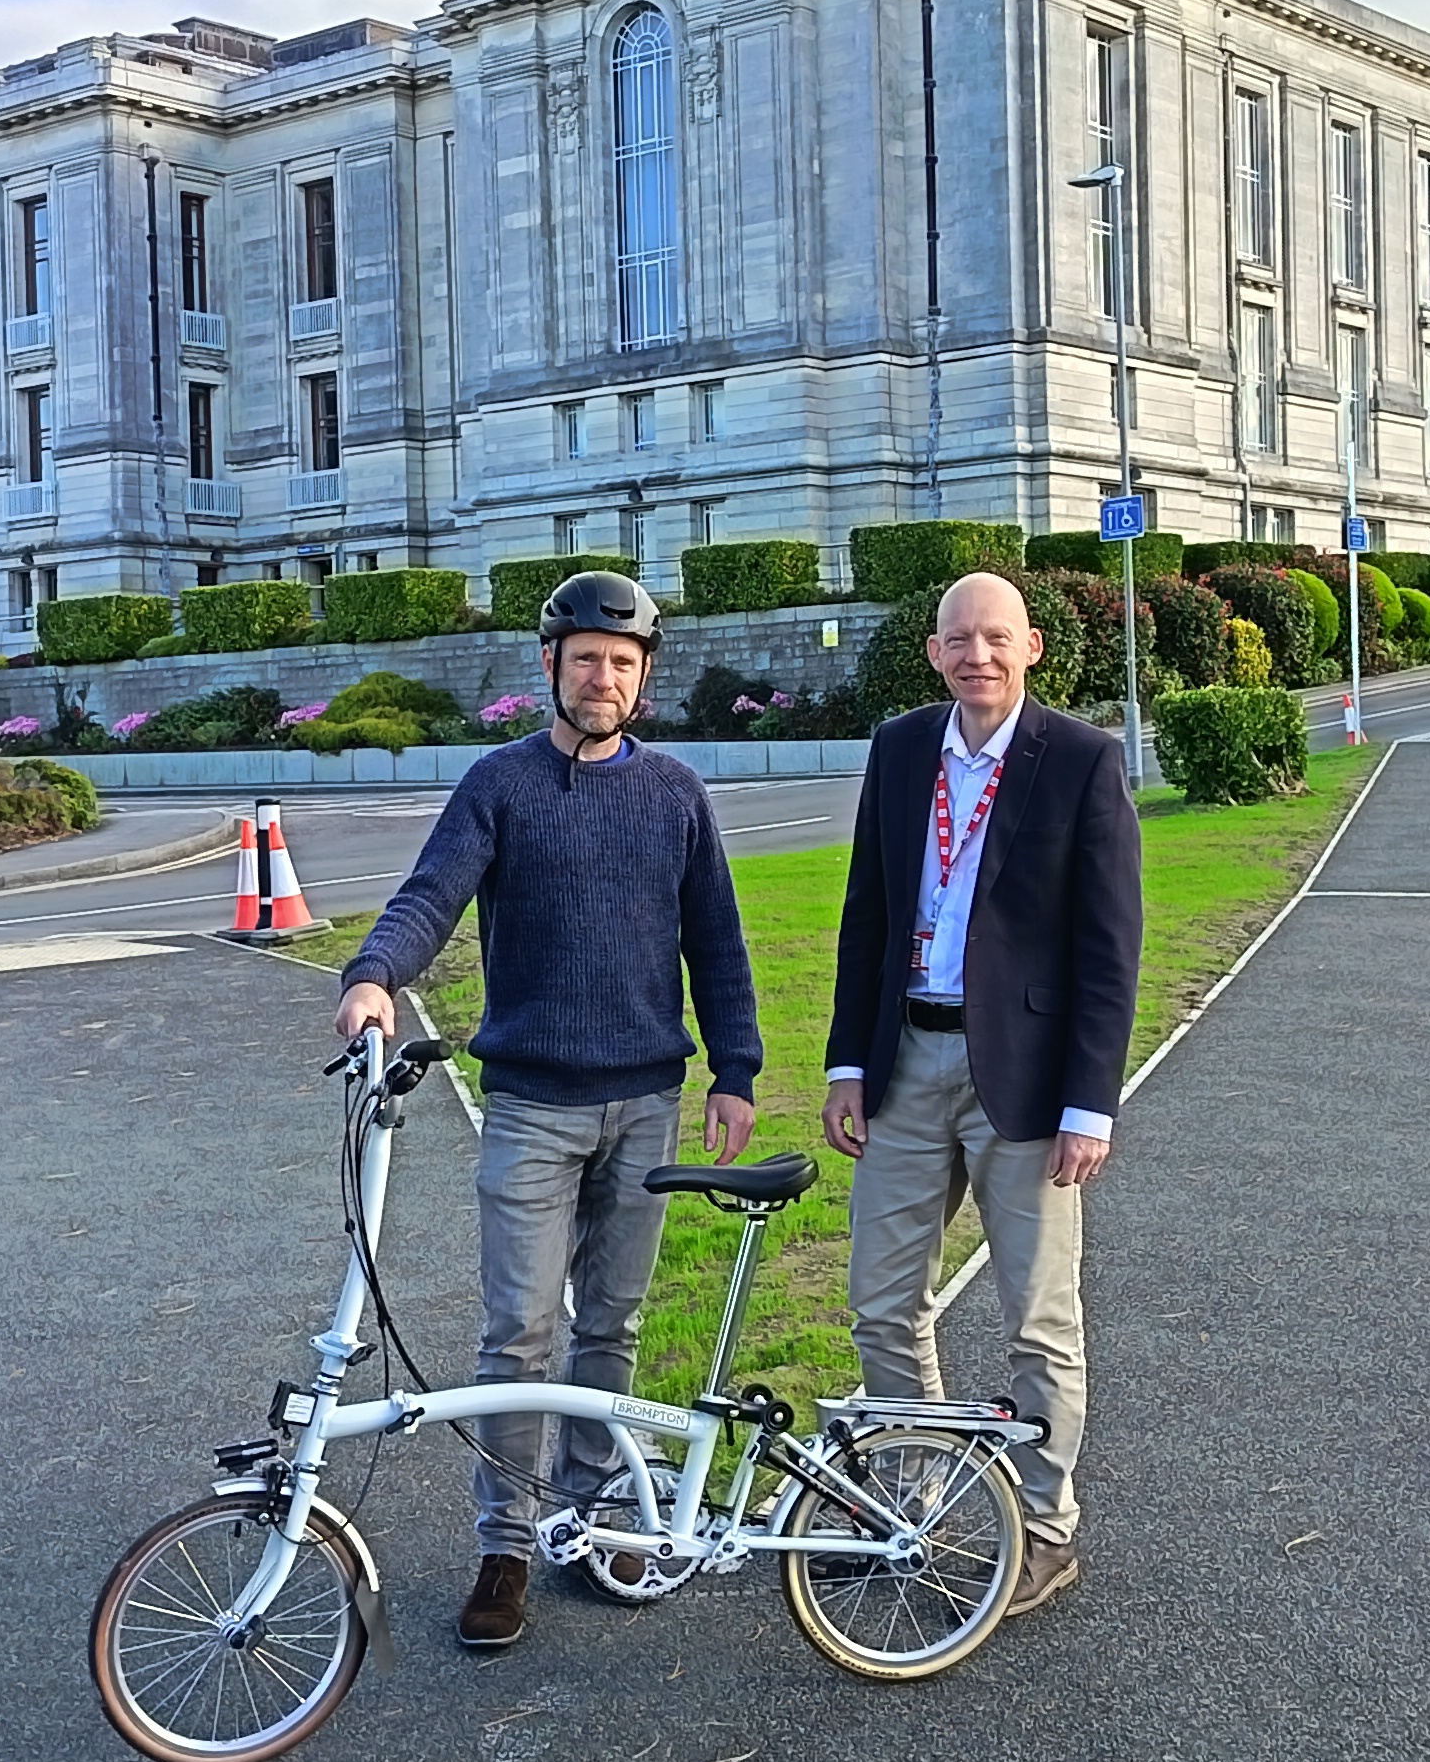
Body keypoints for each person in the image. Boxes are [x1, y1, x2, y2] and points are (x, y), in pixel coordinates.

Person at [334, 571, 760, 1651]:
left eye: (622, 663)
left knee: (609, 1324)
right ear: (551, 669)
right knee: (518, 1333)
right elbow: (429, 895)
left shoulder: (673, 794)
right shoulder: (501, 785)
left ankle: (590, 1510)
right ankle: (506, 1545)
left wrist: (736, 1069)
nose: (603, 677)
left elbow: (715, 940)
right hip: (529, 1107)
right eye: (585, 660)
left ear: (642, 679)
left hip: (646, 1101)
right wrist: (376, 973)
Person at [820, 569, 1142, 1615]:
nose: (978, 656)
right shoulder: (902, 747)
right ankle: (909, 1509)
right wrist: (845, 1064)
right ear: (934, 653)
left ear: (1032, 647)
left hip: (1030, 1083)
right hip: (907, 1060)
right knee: (880, 1303)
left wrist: (1090, 1103)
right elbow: (867, 913)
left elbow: (1109, 946)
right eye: (959, 639)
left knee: (1039, 1321)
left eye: (996, 638)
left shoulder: (1083, 761)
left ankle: (1045, 1528)